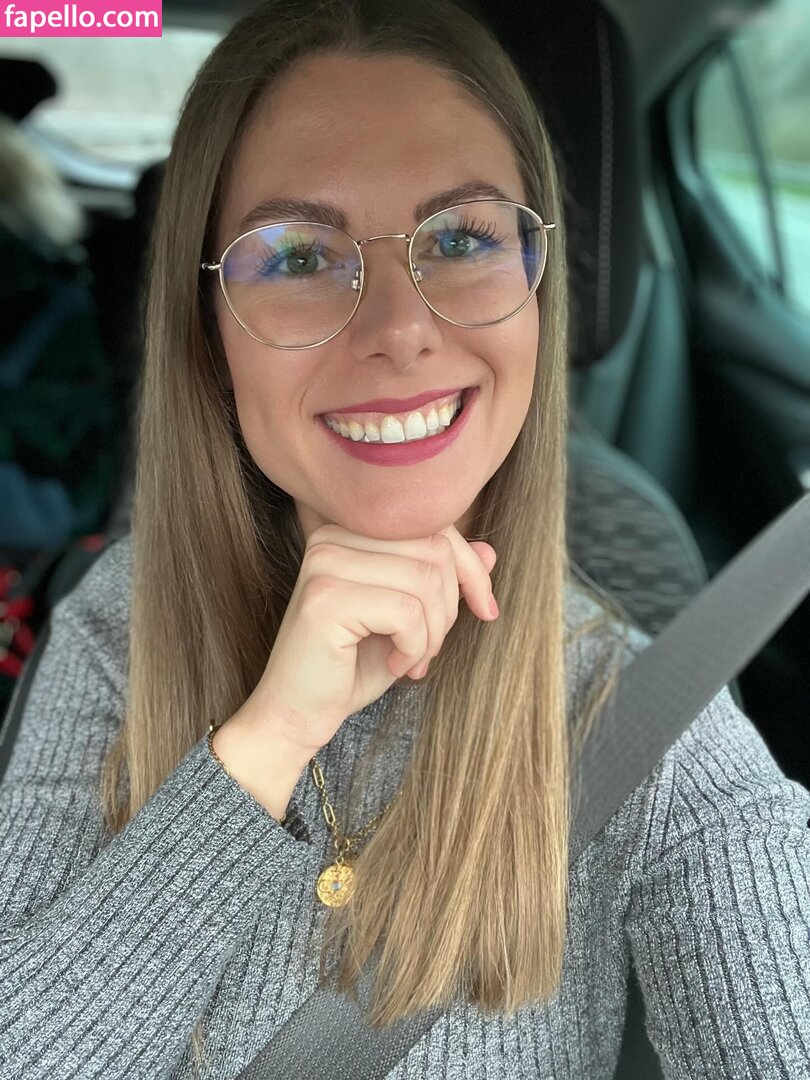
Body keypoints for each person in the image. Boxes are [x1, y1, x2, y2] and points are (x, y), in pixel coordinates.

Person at [0, 0, 808, 1077]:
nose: (397, 330)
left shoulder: (653, 728)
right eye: (298, 256)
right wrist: (264, 745)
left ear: (542, 287)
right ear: (208, 329)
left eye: (464, 239)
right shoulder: (117, 627)